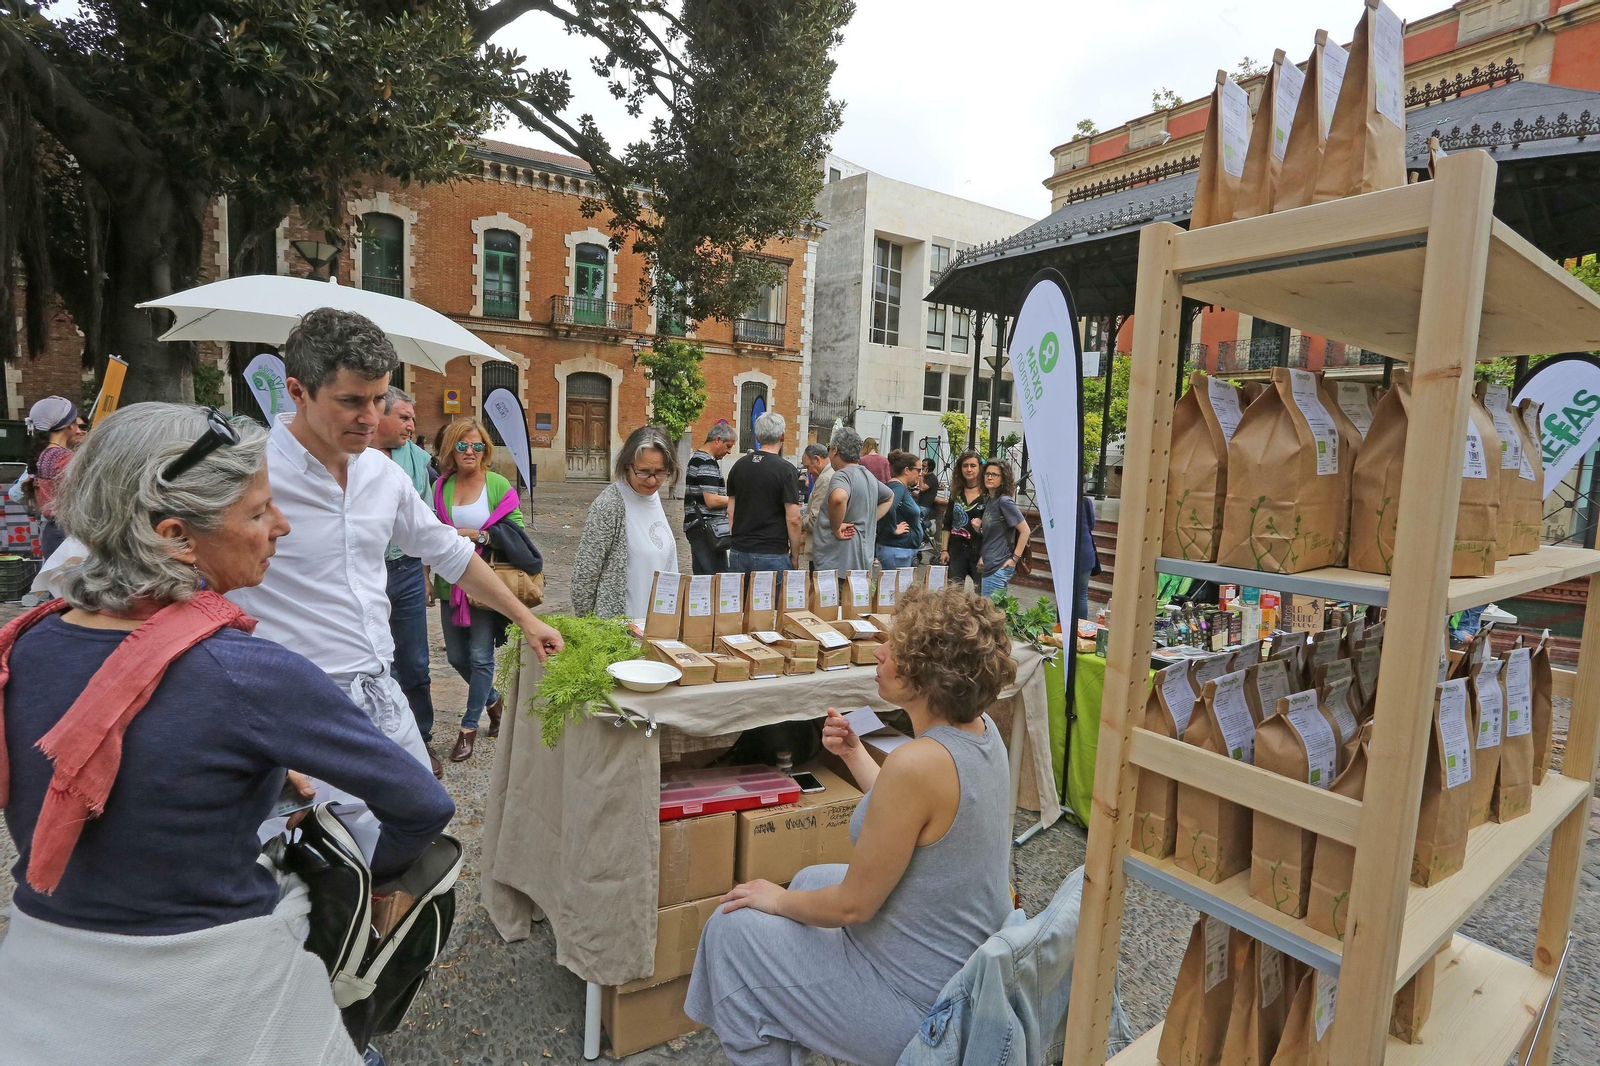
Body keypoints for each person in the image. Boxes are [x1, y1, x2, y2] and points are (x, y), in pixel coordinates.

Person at [0, 403, 453, 1066]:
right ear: (178, 536)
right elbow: (424, 804)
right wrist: (378, 878)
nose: (281, 526)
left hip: (44, 980)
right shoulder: (245, 673)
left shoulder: (26, 643)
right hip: (211, 995)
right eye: (258, 511)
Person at [227, 308, 562, 864]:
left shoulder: (381, 473)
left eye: (379, 399)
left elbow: (450, 553)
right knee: (315, 864)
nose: (370, 417)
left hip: (380, 693)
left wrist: (527, 619)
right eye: (352, 401)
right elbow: (196, 597)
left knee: (418, 827)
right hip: (294, 707)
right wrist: (257, 735)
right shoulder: (249, 475)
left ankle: (390, 938)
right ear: (297, 391)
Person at [686, 586, 1017, 1066]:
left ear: (926, 676)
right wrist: (855, 754)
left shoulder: (917, 764)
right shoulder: (982, 733)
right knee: (810, 879)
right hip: (958, 968)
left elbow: (853, 908)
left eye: (895, 648)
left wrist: (773, 898)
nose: (880, 652)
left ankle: (773, 1032)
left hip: (924, 1008)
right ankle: (791, 1019)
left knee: (730, 928)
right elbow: (916, 817)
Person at [431, 418, 533, 763]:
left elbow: (516, 531)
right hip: (450, 580)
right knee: (456, 657)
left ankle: (468, 727)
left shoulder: (497, 484)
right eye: (462, 445)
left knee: (479, 656)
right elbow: (432, 534)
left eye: (476, 445)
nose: (470, 451)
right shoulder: (442, 486)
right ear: (451, 450)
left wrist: (481, 535)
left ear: (486, 449)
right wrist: (427, 575)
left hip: (487, 583)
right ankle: (493, 699)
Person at [375, 387, 440, 778]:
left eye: (413, 418)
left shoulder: (416, 459)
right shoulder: (351, 458)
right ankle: (389, 744)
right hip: (369, 575)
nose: (411, 425)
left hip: (406, 572)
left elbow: (428, 523)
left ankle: (423, 738)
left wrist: (426, 575)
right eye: (403, 417)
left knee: (415, 661)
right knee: (378, 663)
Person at [572, 425, 681, 618]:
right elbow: (585, 576)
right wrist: (591, 629)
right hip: (621, 631)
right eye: (643, 471)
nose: (652, 481)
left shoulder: (653, 497)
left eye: (660, 472)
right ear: (627, 466)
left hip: (657, 626)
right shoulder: (609, 506)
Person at [725, 412, 802, 574]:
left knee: (740, 598)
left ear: (758, 437)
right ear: (782, 436)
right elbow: (793, 518)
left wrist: (738, 541)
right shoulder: (787, 471)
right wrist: (795, 555)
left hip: (740, 550)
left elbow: (730, 512)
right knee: (771, 598)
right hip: (772, 551)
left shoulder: (739, 466)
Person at [813, 427, 893, 573]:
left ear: (835, 450)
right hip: (860, 565)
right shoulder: (867, 475)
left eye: (829, 449)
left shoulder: (842, 475)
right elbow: (889, 496)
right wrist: (869, 519)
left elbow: (839, 498)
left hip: (837, 565)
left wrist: (836, 527)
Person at [24, 396, 86, 559]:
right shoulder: (64, 457)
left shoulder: (44, 454)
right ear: (69, 425)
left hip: (54, 531)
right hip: (67, 534)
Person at [685, 422, 735, 575]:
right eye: (728, 446)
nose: (729, 451)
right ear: (717, 440)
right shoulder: (707, 462)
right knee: (718, 579)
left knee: (703, 579)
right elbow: (712, 501)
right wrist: (736, 500)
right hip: (708, 530)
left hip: (699, 527)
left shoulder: (697, 458)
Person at [977, 459, 1032, 599]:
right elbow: (994, 534)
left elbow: (1025, 530)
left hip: (998, 567)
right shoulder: (990, 500)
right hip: (990, 564)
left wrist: (1015, 559)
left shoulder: (1004, 501)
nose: (989, 477)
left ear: (1003, 480)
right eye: (987, 473)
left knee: (990, 616)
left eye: (995, 475)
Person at [939, 451, 987, 590]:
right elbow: (947, 523)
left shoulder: (987, 495)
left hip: (978, 549)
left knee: (981, 594)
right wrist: (944, 550)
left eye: (973, 465)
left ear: (980, 468)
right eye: (965, 465)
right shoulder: (956, 493)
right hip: (956, 550)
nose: (969, 469)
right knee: (953, 594)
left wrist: (985, 555)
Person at [875, 450, 925, 571]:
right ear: (907, 470)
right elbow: (889, 507)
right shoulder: (897, 487)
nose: (920, 474)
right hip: (896, 550)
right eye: (918, 470)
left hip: (899, 550)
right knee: (895, 588)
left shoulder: (898, 487)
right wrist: (894, 528)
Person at [799, 442, 833, 563]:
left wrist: (797, 520)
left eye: (808, 467)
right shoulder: (828, 475)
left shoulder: (825, 479)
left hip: (822, 549)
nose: (808, 473)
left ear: (817, 459)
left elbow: (815, 520)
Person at [916, 457, 942, 549]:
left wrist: (922, 476)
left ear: (929, 468)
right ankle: (928, 524)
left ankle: (924, 539)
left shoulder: (932, 478)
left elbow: (922, 488)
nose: (922, 468)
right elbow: (919, 486)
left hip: (926, 504)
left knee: (916, 521)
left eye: (924, 466)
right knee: (919, 521)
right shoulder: (926, 477)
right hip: (921, 502)